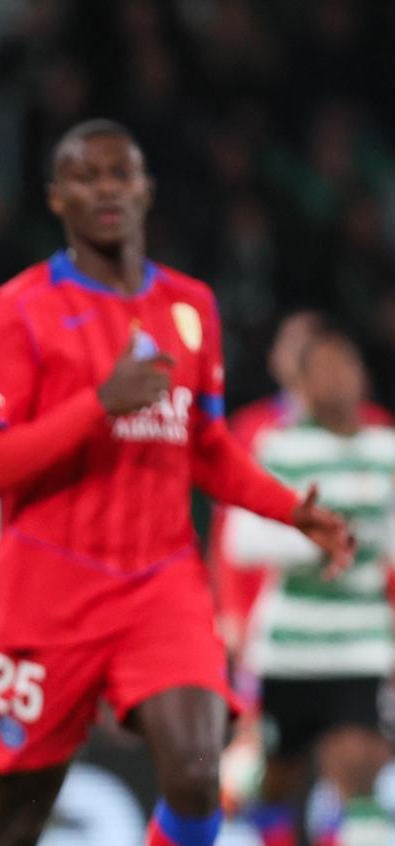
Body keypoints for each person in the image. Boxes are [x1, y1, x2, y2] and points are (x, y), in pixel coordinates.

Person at [0, 118, 355, 846]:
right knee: (17, 823)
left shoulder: (190, 305)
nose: (106, 189)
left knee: (197, 776)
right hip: (47, 594)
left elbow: (206, 446)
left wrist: (290, 509)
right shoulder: (18, 310)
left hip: (159, 585)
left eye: (120, 173)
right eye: (86, 176)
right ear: (56, 198)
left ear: (146, 190)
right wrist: (97, 405)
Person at [222, 328, 395, 846]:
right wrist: (312, 543)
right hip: (289, 648)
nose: (337, 379)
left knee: (359, 768)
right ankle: (240, 789)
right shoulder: (278, 446)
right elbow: (241, 540)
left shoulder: (386, 448)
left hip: (361, 643)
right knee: (277, 778)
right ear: (302, 384)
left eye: (345, 365)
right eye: (322, 369)